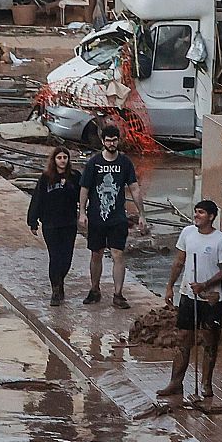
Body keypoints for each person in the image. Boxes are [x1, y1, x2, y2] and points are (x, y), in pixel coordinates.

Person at [158, 200, 222, 400]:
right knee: (183, 338)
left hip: (210, 299)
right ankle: (176, 382)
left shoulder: (221, 240)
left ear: (211, 216)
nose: (197, 215)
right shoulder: (187, 233)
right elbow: (179, 262)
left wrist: (205, 285)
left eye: (201, 213)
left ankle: (206, 384)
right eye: (196, 212)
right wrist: (169, 286)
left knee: (209, 341)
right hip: (188, 295)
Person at [79, 124, 146, 309]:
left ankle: (118, 294)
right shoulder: (94, 163)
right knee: (96, 253)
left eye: (114, 140)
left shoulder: (125, 163)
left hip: (118, 218)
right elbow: (84, 188)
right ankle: (94, 289)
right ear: (103, 141)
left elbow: (134, 188)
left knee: (118, 254)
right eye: (108, 140)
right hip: (96, 217)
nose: (111, 143)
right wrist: (82, 212)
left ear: (118, 140)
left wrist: (142, 214)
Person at [28, 147, 81, 306]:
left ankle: (60, 280)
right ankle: (56, 290)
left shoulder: (75, 177)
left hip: (69, 223)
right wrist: (33, 220)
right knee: (55, 257)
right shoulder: (45, 178)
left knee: (66, 258)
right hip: (50, 224)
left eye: (65, 157)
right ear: (54, 160)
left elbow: (82, 196)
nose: (63, 160)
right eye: (59, 157)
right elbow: (37, 198)